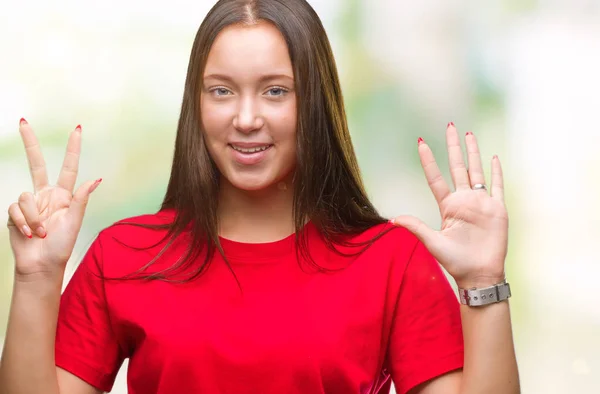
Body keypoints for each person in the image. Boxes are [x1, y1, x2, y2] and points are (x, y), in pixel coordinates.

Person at [0, 0, 520, 393]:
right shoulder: (125, 255)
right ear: (196, 104)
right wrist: (36, 277)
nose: (246, 119)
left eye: (276, 90)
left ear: (314, 101)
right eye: (221, 90)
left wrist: (483, 283)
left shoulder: (390, 260)